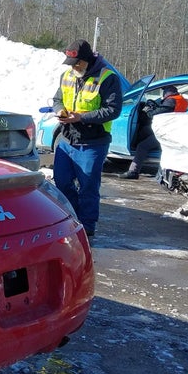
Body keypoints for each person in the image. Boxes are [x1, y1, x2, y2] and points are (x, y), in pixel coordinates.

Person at [52, 39, 123, 238]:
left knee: (88, 186)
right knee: (62, 181)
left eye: (77, 63)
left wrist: (81, 117)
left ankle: (87, 226)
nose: (73, 67)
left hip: (93, 143)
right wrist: (59, 110)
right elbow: (57, 99)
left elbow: (113, 110)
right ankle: (72, 219)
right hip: (67, 140)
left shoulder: (108, 77)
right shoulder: (67, 75)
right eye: (70, 63)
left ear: (87, 60)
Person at [118, 86, 188, 179]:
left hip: (166, 134)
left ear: (169, 92)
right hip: (174, 131)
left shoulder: (171, 101)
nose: (163, 94)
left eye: (164, 91)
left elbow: (154, 114)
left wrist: (148, 110)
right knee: (145, 131)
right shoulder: (182, 100)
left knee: (143, 146)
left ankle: (133, 172)